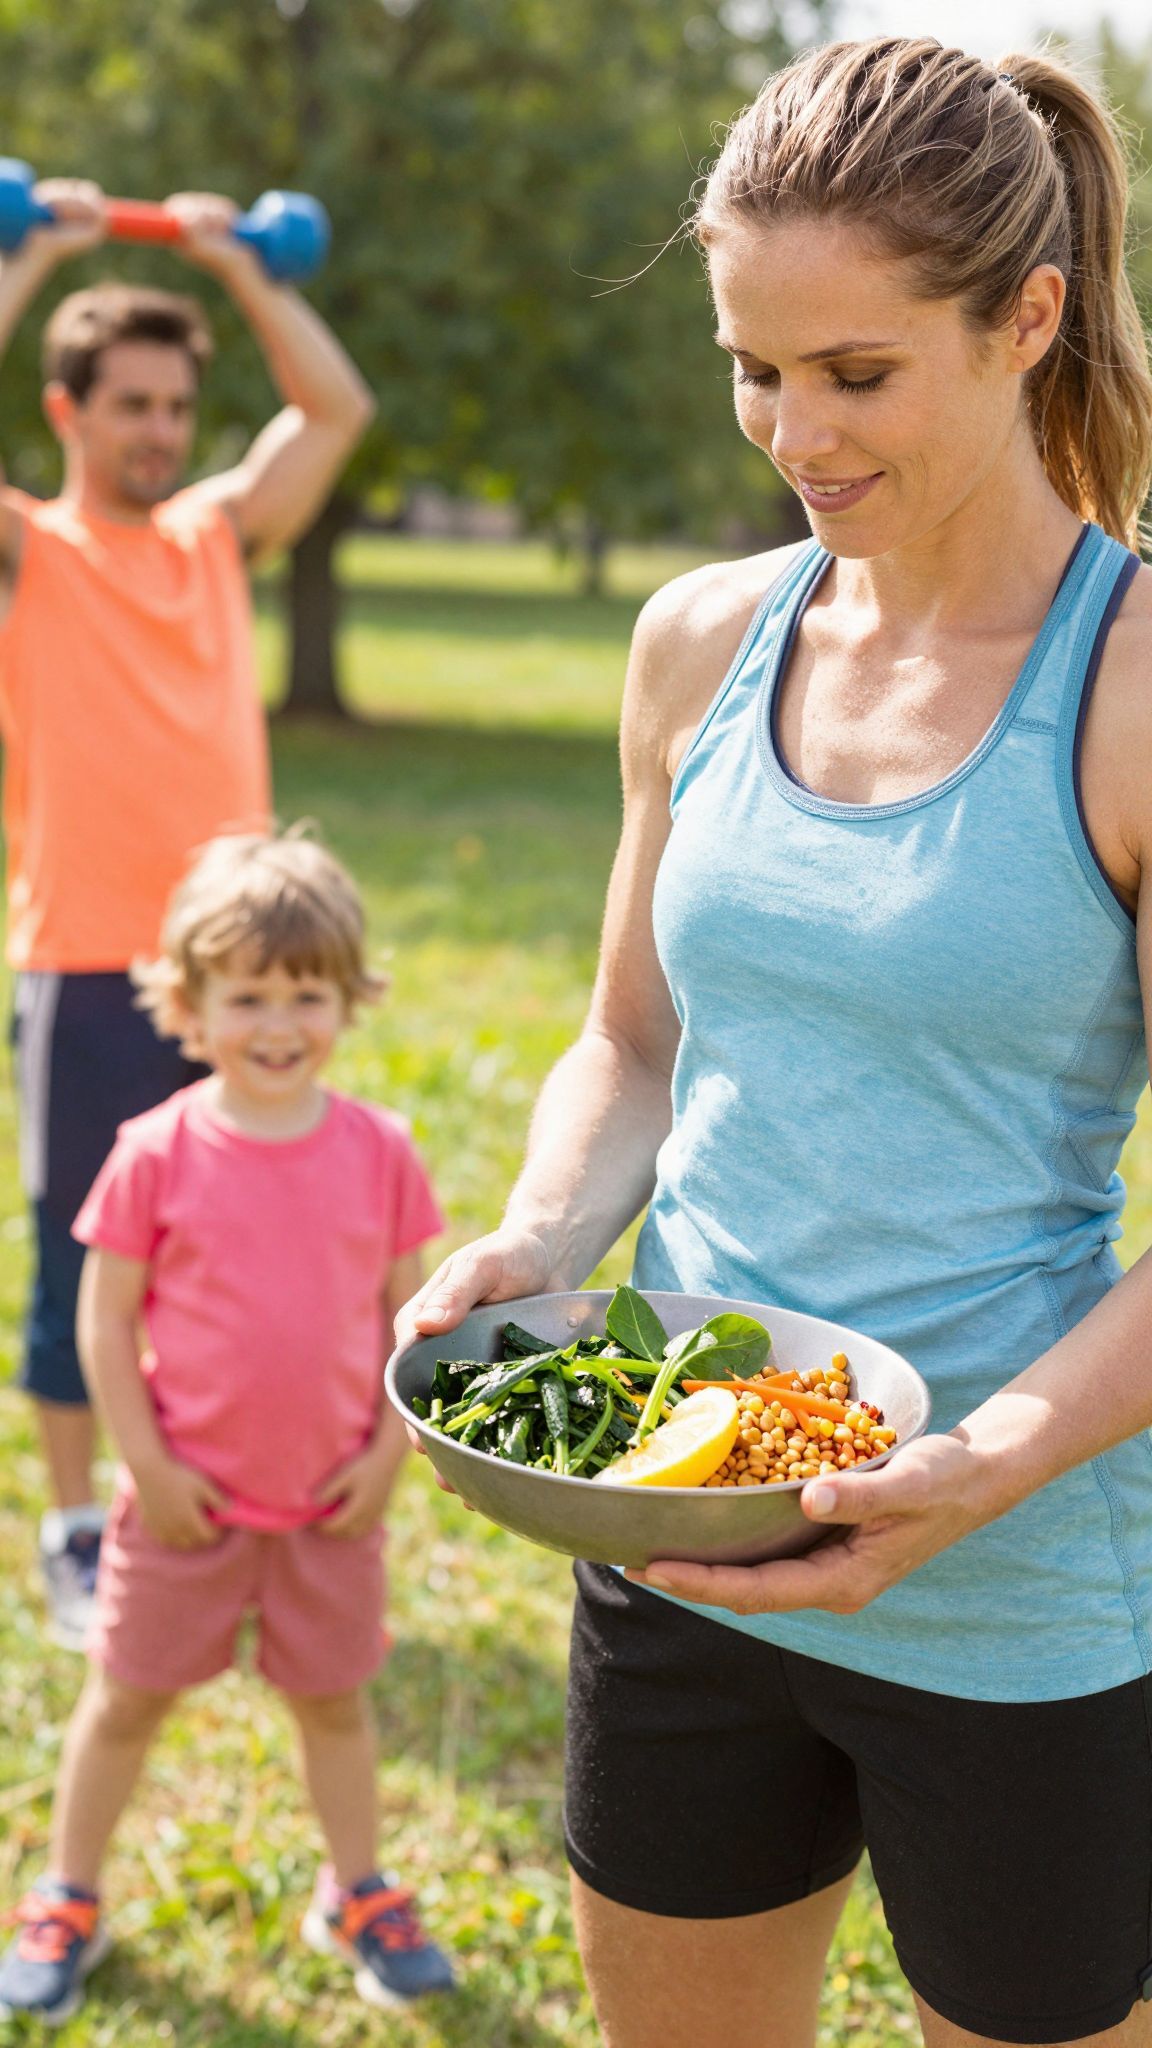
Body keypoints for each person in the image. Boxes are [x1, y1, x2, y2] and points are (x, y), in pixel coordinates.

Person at [397, 37, 1152, 2048]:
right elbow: (631, 1047)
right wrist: (543, 1232)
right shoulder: (699, 643)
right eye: (753, 365)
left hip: (1012, 1583)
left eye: (857, 372)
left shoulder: (1133, 689)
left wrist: (981, 1464)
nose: (789, 432)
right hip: (677, 1520)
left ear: (1029, 318)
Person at [0, 180, 375, 1647]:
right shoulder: (35, 550)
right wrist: (35, 256)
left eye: (175, 404)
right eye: (131, 405)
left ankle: (217, 1498)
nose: (160, 429)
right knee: (85, 1252)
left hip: (242, 974)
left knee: (239, 1244)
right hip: (88, 960)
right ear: (69, 410)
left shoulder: (219, 535)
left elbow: (332, 410)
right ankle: (77, 1524)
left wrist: (237, 270)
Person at [0, 829, 456, 2024]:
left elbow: (407, 1323)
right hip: (182, 1500)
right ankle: (68, 1889)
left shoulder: (382, 1151)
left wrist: (382, 1456)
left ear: (348, 998)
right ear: (188, 1006)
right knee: (127, 1696)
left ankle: (355, 1886)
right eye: (246, 993)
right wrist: (142, 1463)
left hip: (330, 1502)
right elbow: (103, 1326)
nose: (278, 1020)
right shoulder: (155, 1151)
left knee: (335, 1702)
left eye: (306, 992)